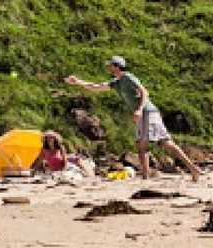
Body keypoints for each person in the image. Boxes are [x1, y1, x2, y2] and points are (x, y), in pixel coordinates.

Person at [65, 55, 201, 181]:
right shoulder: (117, 82)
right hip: (147, 113)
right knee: (155, 144)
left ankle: (152, 176)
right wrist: (78, 82)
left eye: (110, 65)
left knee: (151, 144)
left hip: (147, 112)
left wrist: (139, 111)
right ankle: (187, 169)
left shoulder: (128, 77)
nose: (108, 68)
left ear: (117, 66)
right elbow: (96, 87)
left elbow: (144, 92)